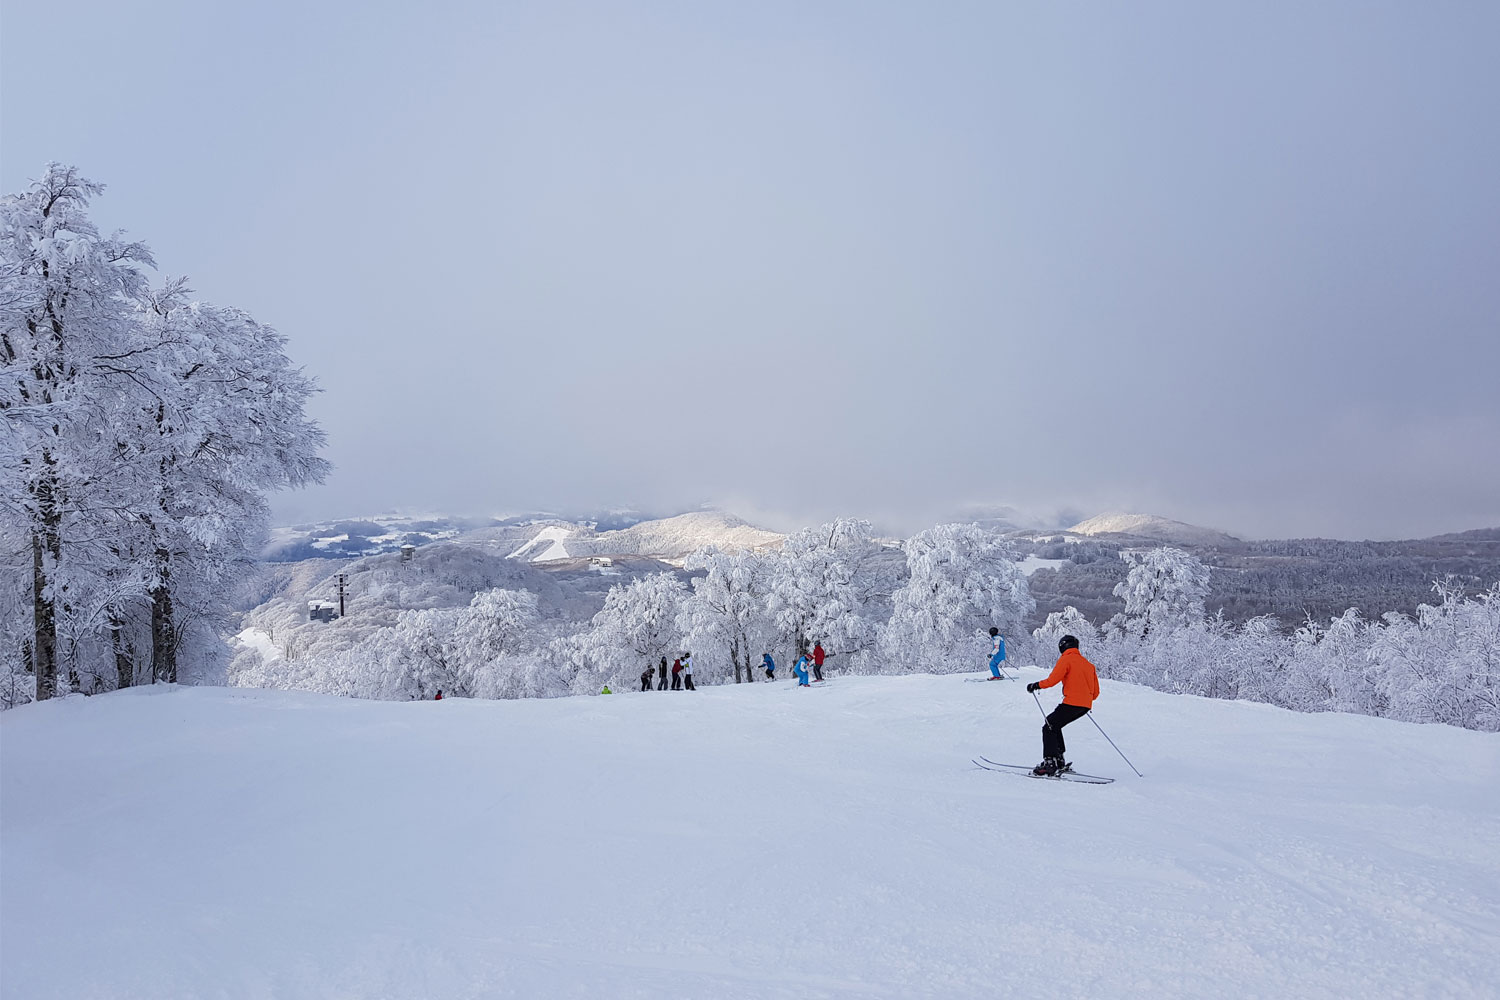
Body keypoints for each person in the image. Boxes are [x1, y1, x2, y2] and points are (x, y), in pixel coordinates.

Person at [1026, 635, 1100, 775]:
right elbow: (1095, 693)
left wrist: (1035, 685)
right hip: (1085, 706)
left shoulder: (1066, 659)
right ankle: (1058, 760)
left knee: (1048, 726)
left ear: (1062, 646)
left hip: (1072, 702)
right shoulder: (1088, 664)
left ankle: (1050, 763)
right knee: (1053, 725)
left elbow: (1053, 680)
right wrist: (1083, 698)